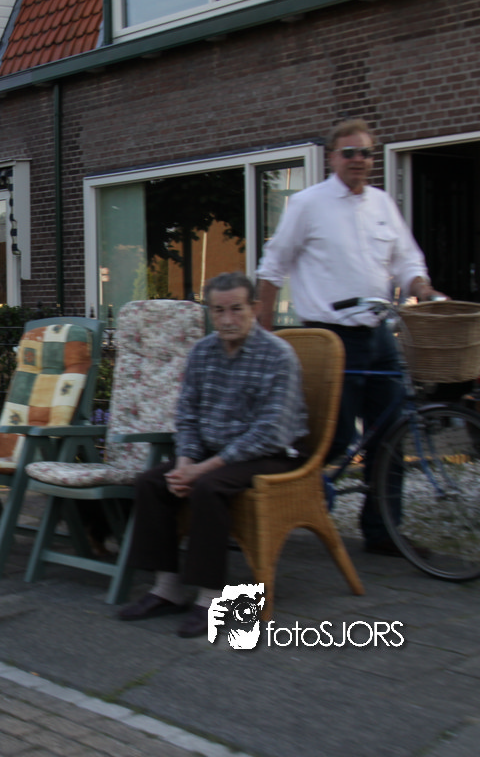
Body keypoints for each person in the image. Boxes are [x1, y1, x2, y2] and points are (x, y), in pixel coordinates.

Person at [255, 118, 444, 557]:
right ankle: (267, 501)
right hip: (330, 337)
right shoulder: (308, 204)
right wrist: (264, 333)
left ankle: (383, 531)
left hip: (379, 333)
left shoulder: (382, 204)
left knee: (390, 432)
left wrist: (423, 288)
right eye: (349, 152)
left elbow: (406, 260)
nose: (359, 159)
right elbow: (273, 265)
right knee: (332, 438)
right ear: (332, 157)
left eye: (366, 153)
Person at [116, 273, 308, 639]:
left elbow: (269, 431)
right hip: (212, 452)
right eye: (218, 311)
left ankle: (211, 599)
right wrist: (185, 462)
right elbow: (186, 415)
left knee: (208, 487)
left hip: (271, 454)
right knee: (151, 483)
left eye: (236, 309)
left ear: (255, 308)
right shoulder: (202, 352)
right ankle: (167, 589)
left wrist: (203, 469)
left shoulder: (277, 355)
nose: (227, 319)